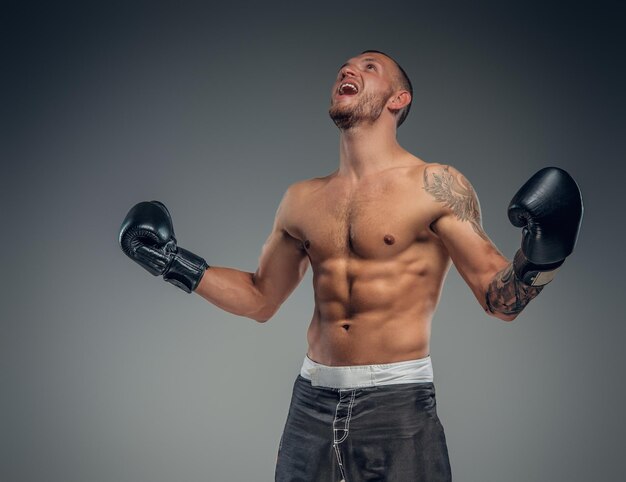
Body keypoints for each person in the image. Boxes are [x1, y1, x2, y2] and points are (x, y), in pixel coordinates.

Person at [118, 50, 583, 481]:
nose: (348, 71)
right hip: (310, 405)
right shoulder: (301, 199)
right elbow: (260, 299)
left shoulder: (435, 183)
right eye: (344, 67)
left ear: (399, 99)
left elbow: (499, 300)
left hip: (397, 406)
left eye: (368, 67)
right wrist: (172, 262)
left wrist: (544, 253)